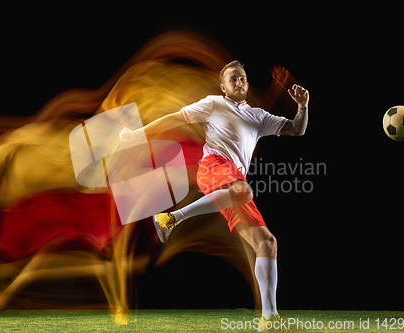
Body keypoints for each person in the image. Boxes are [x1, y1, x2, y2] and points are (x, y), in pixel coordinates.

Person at [120, 60, 309, 330]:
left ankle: (270, 319)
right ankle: (173, 217)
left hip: (234, 183)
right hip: (214, 167)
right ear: (223, 87)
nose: (240, 82)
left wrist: (303, 106)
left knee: (267, 242)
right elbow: (175, 118)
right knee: (242, 190)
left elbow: (296, 129)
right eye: (233, 79)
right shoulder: (213, 104)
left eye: (243, 78)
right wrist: (138, 134)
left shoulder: (258, 116)